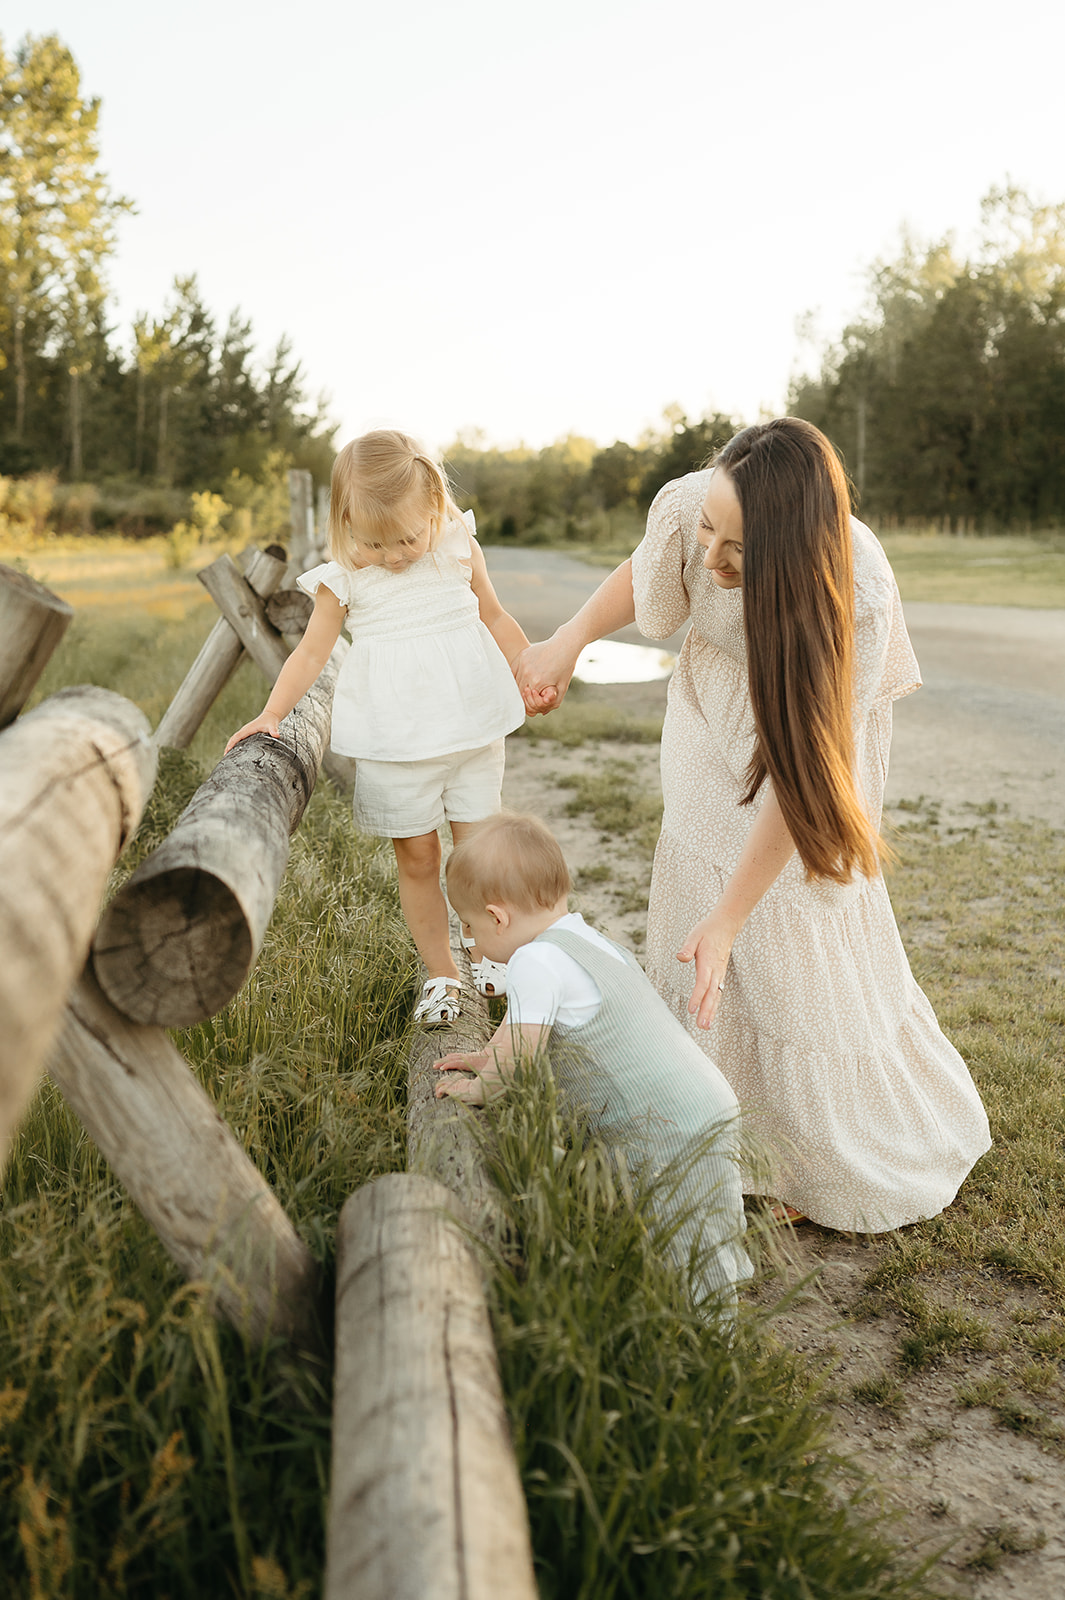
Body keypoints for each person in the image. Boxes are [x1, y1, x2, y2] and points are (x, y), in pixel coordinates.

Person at [515, 417, 991, 1233]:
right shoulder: (696, 507)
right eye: (709, 527)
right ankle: (707, 1123)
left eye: (734, 545)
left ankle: (809, 1159)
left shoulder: (858, 598)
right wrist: (567, 641)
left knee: (785, 915)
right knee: (702, 883)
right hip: (711, 714)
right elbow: (647, 572)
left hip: (807, 756)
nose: (708, 556)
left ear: (794, 551)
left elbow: (803, 781)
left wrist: (730, 918)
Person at [225, 429, 527, 1024]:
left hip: (469, 731)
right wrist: (272, 714)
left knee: (478, 852)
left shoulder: (456, 544)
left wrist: (533, 667)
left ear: (435, 505)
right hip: (395, 746)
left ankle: (489, 950)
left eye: (409, 537)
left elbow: (493, 613)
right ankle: (441, 973)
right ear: (346, 525)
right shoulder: (344, 578)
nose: (396, 555)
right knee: (417, 857)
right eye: (375, 541)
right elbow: (310, 655)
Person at [433, 812, 752, 1309]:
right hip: (703, 1106)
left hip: (664, 1129)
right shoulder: (586, 938)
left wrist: (483, 1088)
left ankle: (708, 1339)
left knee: (683, 1246)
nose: (474, 941)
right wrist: (486, 1055)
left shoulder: (532, 962)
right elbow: (519, 1031)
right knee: (704, 1226)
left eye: (471, 928)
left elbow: (518, 1062)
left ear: (497, 917)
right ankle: (714, 1313)